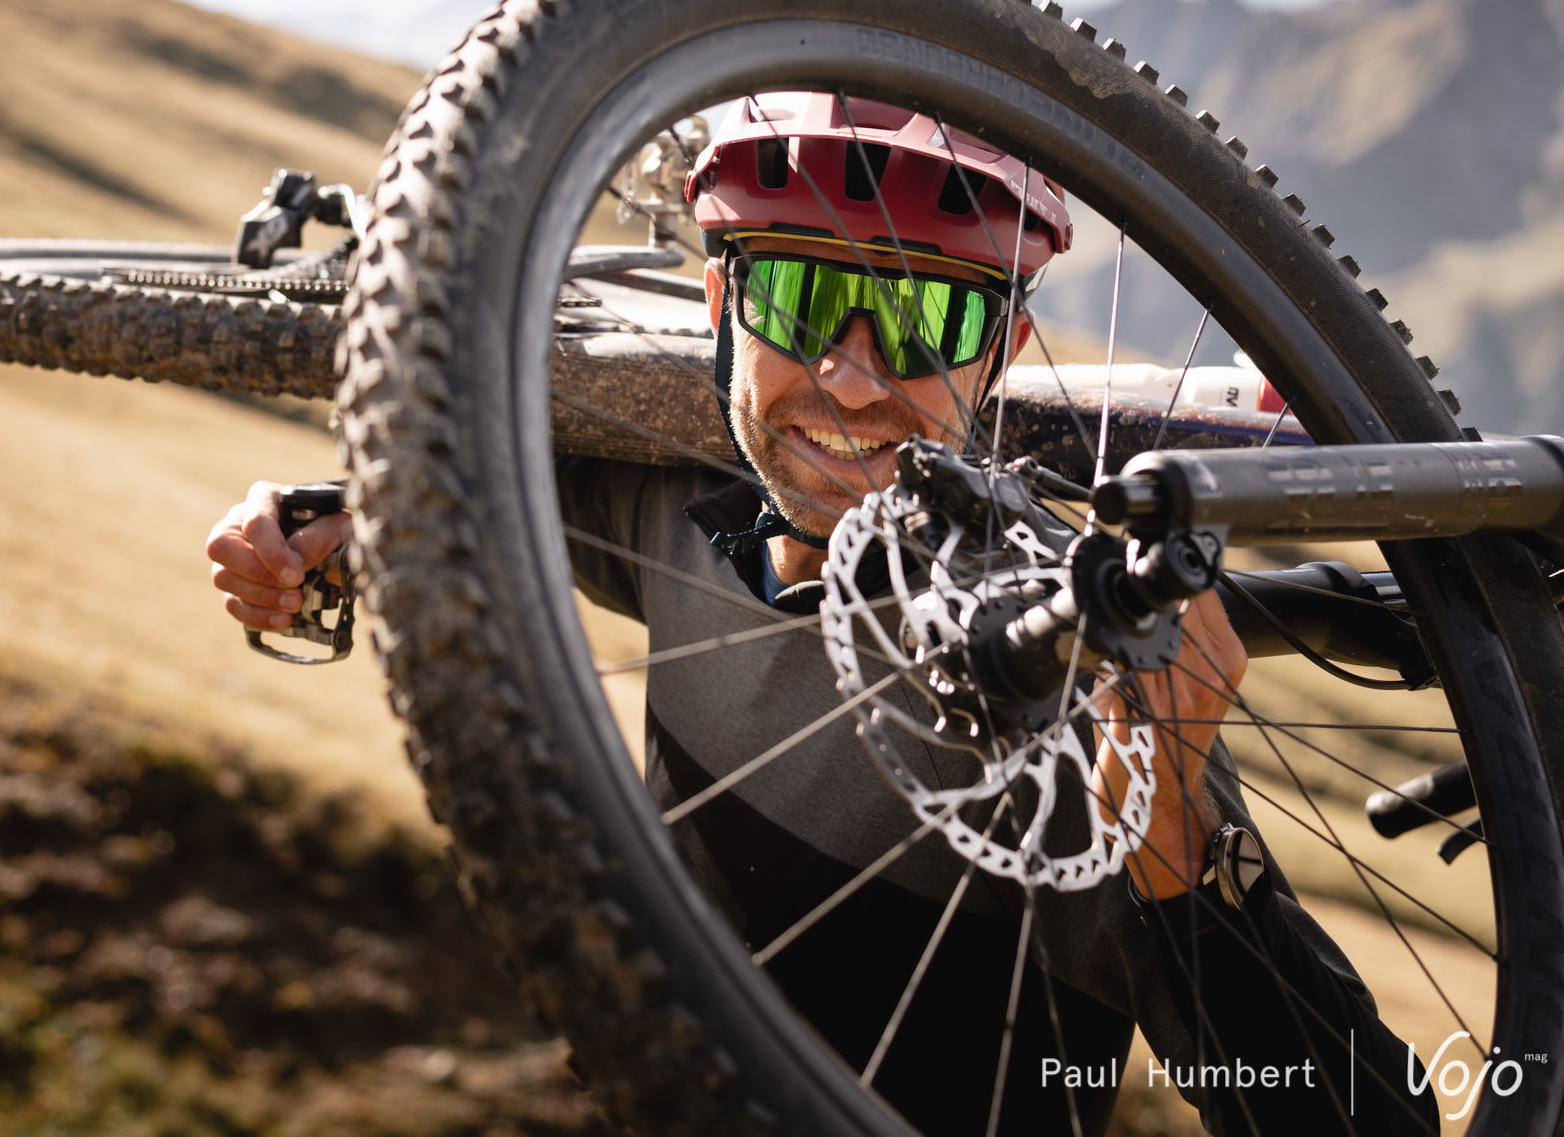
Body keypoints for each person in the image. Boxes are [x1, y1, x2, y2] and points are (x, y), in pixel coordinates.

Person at [207, 92, 1436, 1136]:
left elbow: (1351, 1117)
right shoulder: (671, 506)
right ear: (715, 304)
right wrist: (328, 517)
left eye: (925, 320)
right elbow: (482, 483)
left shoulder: (1053, 663)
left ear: (998, 350)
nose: (849, 376)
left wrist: (1169, 815)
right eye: (796, 300)